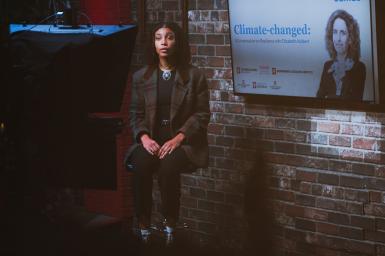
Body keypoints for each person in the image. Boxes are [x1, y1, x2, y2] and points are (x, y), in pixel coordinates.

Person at [124, 22, 210, 244]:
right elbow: (135, 114)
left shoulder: (195, 75)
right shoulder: (141, 77)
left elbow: (201, 115)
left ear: (177, 42)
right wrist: (144, 138)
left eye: (169, 37)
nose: (164, 42)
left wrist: (179, 138)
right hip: (150, 140)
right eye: (158, 37)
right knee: (141, 165)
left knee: (168, 168)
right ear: (152, 43)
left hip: (182, 143)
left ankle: (170, 225)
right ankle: (143, 226)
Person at [316, 9, 366, 100]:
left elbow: (354, 101)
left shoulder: (359, 68)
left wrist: (328, 97)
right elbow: (319, 99)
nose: (338, 39)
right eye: (335, 32)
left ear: (350, 38)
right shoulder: (327, 66)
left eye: (342, 33)